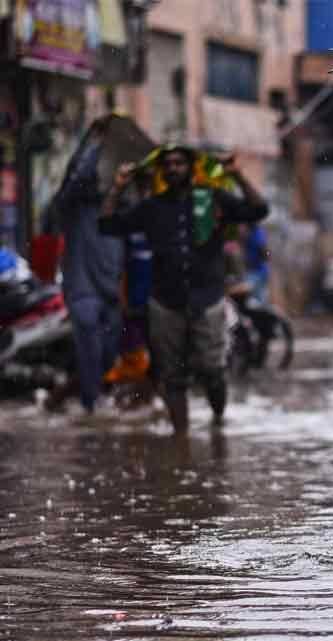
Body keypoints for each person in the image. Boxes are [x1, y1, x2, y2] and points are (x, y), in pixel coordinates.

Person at [99, 146, 269, 436]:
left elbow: (258, 209)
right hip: (166, 303)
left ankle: (217, 422)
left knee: (212, 370)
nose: (174, 167)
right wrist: (117, 187)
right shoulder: (152, 207)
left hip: (209, 300)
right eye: (168, 163)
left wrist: (237, 175)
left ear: (191, 167)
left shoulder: (212, 199)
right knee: (172, 376)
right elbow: (107, 224)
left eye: (179, 162)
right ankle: (181, 440)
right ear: (162, 170)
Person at [49, 120, 124, 416]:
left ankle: (74, 394)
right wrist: (97, 142)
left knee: (107, 355)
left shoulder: (118, 207)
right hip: (83, 288)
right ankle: (89, 408)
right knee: (90, 349)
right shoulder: (72, 207)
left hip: (110, 289)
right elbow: (78, 179)